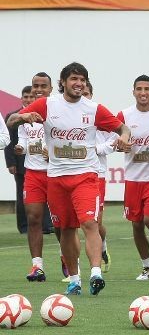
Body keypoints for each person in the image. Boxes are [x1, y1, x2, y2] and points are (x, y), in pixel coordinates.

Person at [9, 62, 131, 296]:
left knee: (89, 224)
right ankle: (74, 279)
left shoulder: (93, 109)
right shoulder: (47, 104)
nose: (79, 83)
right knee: (65, 228)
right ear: (63, 82)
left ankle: (96, 273)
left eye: (82, 79)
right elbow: (12, 120)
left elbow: (122, 128)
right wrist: (24, 118)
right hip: (56, 178)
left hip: (85, 176)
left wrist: (124, 137)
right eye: (74, 79)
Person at [116, 75, 149, 280]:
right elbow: (116, 139)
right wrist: (121, 143)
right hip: (133, 178)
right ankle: (147, 267)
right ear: (134, 92)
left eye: (147, 89)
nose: (143, 93)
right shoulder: (125, 115)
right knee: (136, 224)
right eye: (139, 89)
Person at [14, 73, 63, 282]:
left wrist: (52, 153)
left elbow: (68, 140)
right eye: (36, 85)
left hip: (56, 173)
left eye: (44, 85)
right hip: (33, 174)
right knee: (33, 218)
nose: (39, 89)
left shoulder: (58, 112)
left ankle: (67, 258)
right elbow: (24, 140)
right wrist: (20, 148)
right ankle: (37, 266)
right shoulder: (25, 115)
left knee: (60, 222)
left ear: (51, 88)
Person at [82, 82, 116, 273]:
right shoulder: (67, 115)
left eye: (87, 93)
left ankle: (101, 252)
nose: (84, 96)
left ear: (91, 94)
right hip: (73, 172)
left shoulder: (98, 115)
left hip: (97, 174)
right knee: (78, 223)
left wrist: (96, 149)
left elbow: (114, 140)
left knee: (95, 222)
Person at [4, 86, 32, 234]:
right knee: (22, 196)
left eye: (30, 97)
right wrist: (11, 163)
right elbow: (8, 142)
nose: (28, 100)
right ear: (21, 98)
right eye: (25, 97)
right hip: (20, 164)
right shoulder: (13, 116)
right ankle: (23, 226)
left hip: (39, 163)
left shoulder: (40, 114)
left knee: (43, 195)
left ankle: (46, 226)